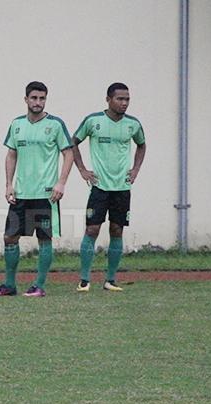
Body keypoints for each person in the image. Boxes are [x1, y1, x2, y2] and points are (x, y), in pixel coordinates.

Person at [0, 81, 73, 298]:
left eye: (42, 98)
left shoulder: (56, 124)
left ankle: (39, 285)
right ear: (26, 99)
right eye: (34, 98)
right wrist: (8, 184)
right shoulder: (16, 124)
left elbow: (68, 153)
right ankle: (9, 285)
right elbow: (11, 154)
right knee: (10, 237)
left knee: (44, 239)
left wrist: (61, 183)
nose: (38, 102)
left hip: (46, 194)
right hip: (21, 194)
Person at [72, 82, 146, 292]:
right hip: (99, 187)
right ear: (108, 99)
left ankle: (110, 280)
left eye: (127, 99)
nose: (124, 103)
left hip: (122, 188)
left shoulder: (133, 124)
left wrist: (135, 169)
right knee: (92, 229)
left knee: (117, 229)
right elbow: (73, 142)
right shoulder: (93, 121)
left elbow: (141, 145)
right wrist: (82, 169)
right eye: (120, 99)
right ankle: (84, 280)